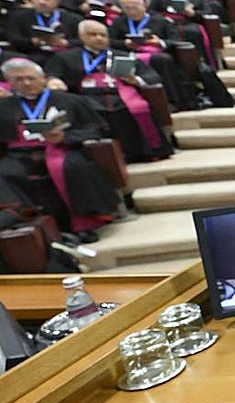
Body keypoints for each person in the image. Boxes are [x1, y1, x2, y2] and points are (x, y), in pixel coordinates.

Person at [0, 57, 119, 242]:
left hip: (65, 148)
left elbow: (95, 129)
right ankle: (34, 226)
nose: (26, 83)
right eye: (18, 80)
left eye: (31, 78)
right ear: (9, 83)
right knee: (6, 173)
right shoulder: (3, 107)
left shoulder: (70, 101)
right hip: (19, 154)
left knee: (73, 168)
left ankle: (84, 224)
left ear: (43, 78)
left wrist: (64, 137)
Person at [46, 20, 172, 163]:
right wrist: (54, 81)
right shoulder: (65, 57)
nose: (99, 38)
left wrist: (135, 80)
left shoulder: (122, 55)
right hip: (85, 96)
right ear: (81, 36)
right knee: (88, 111)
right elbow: (53, 75)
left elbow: (152, 76)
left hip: (120, 93)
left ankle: (143, 152)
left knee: (136, 108)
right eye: (93, 34)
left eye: (103, 35)